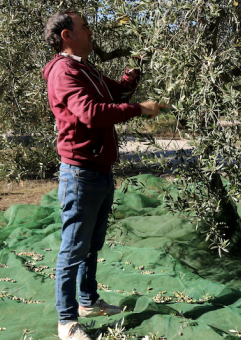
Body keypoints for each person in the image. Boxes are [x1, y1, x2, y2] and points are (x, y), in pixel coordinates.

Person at [42, 10, 167, 340]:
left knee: (91, 246)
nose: (90, 30)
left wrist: (135, 69)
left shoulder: (84, 68)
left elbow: (116, 93)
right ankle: (67, 321)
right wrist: (139, 109)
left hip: (97, 171)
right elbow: (91, 113)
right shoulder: (63, 72)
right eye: (84, 27)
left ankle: (88, 302)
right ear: (67, 35)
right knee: (73, 248)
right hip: (80, 174)